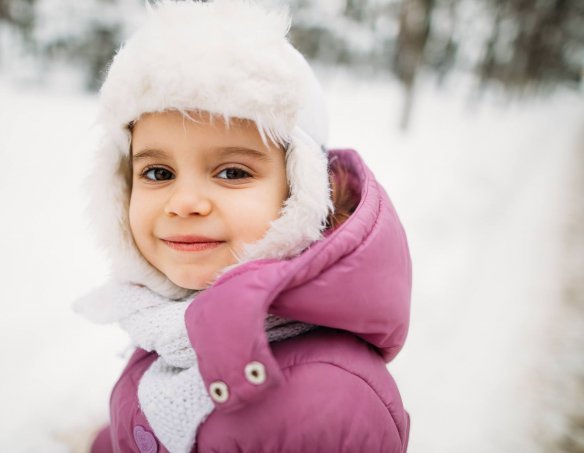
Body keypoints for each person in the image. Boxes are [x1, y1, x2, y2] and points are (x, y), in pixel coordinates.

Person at [74, 1, 412, 452]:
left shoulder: (327, 403)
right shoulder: (167, 327)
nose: (185, 202)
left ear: (299, 194)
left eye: (232, 172)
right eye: (158, 173)